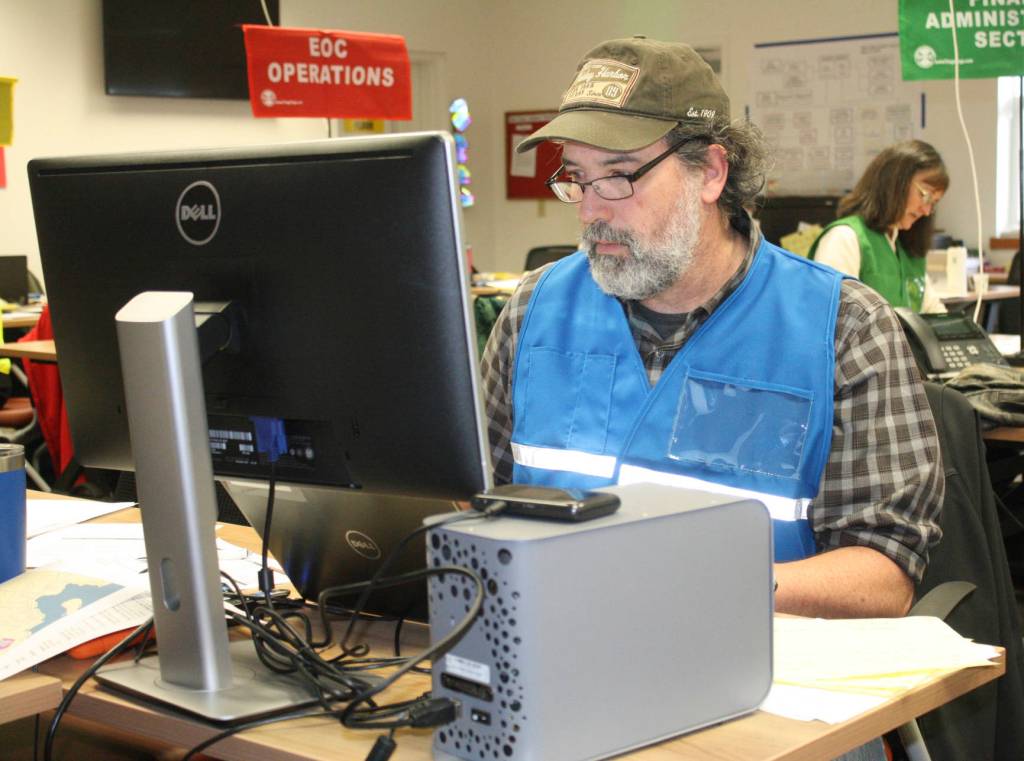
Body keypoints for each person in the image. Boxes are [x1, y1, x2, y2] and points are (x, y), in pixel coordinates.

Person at [481, 37, 943, 623]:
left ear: (711, 173)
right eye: (577, 178)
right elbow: (471, 502)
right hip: (553, 645)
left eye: (620, 177)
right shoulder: (533, 311)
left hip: (767, 672)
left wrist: (699, 584)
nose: (591, 209)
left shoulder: (845, 328)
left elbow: (883, 576)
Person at [808, 140, 949, 312]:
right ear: (894, 182)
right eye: (925, 196)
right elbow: (830, 316)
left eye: (933, 203)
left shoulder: (904, 248)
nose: (926, 211)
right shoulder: (844, 238)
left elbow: (934, 312)